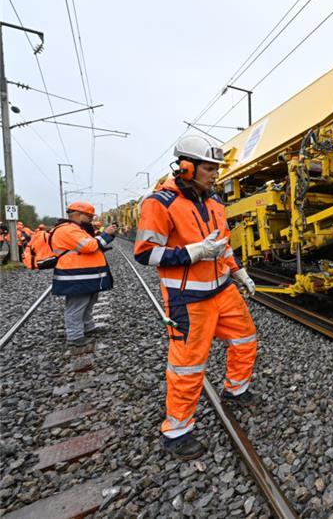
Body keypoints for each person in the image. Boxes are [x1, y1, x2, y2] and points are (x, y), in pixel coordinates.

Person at [134, 134, 258, 460]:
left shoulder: (215, 202)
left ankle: (236, 390)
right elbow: (146, 254)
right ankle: (177, 432)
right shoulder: (159, 203)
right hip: (188, 299)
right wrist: (193, 252)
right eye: (209, 168)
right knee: (188, 366)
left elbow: (224, 245)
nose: (215, 173)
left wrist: (239, 272)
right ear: (186, 168)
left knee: (245, 339)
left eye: (216, 168)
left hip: (223, 290)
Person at [50, 202, 118, 346]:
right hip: (75, 275)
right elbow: (90, 245)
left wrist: (104, 238)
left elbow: (90, 244)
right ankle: (75, 336)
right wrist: (106, 234)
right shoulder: (68, 230)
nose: (91, 219)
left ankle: (88, 327)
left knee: (89, 302)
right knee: (77, 305)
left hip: (85, 274)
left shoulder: (76, 229)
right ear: (79, 214)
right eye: (89, 216)